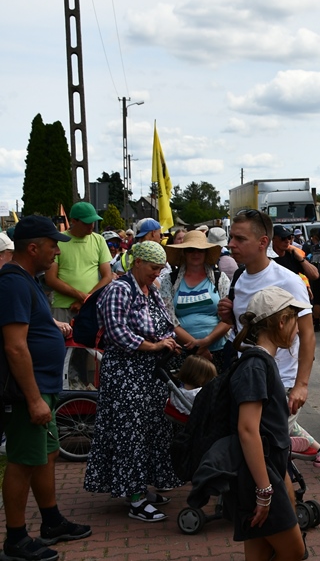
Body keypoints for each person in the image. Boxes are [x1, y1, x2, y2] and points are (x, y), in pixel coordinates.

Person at [84, 241, 200, 521]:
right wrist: (154, 346)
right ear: (137, 262)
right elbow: (117, 332)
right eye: (153, 268)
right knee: (130, 432)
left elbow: (167, 323)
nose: (157, 273)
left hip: (150, 374)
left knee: (152, 430)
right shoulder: (118, 290)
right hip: (126, 375)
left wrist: (172, 342)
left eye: (160, 268)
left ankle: (140, 487)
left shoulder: (152, 291)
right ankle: (134, 497)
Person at [217, 210, 320, 467]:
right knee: (261, 445)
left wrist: (301, 385)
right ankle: (315, 451)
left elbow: (308, 335)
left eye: (240, 239)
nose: (231, 244)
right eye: (231, 237)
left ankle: (281, 482)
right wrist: (229, 315)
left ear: (263, 242)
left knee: (265, 449)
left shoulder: (288, 281)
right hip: (248, 376)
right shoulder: (238, 278)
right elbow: (246, 329)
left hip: (280, 381)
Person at [0, 216, 92, 560]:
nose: (57, 251)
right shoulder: (13, 283)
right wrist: (33, 398)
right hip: (30, 392)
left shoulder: (27, 280)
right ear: (33, 248)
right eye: (53, 245)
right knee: (23, 461)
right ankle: (15, 539)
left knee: (46, 454)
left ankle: (51, 521)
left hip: (44, 389)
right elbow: (15, 346)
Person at [230, 287, 308, 560]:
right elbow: (247, 429)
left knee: (260, 554)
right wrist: (264, 490)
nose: (298, 329)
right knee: (294, 551)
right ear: (282, 321)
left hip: (268, 470)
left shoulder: (263, 362)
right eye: (295, 320)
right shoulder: (256, 366)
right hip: (259, 475)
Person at [160, 230, 234, 371]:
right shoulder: (169, 280)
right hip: (182, 353)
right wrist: (197, 346)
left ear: (206, 253)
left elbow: (228, 318)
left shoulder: (220, 278)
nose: (195, 254)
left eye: (200, 250)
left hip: (217, 351)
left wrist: (206, 341)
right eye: (190, 250)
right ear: (183, 253)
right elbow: (168, 319)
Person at [44, 201, 113, 324]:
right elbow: (50, 279)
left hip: (90, 305)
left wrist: (84, 300)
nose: (91, 226)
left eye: (93, 222)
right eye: (86, 223)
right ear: (73, 221)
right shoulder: (58, 241)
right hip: (63, 306)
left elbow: (107, 276)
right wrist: (83, 297)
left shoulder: (99, 240)